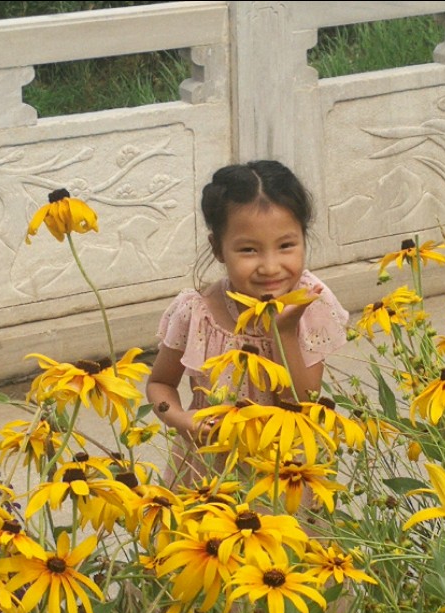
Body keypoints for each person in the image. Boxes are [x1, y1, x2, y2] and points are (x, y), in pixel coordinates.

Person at [146, 160, 349, 486]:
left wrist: (283, 332)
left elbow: (304, 401)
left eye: (286, 246)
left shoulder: (310, 304)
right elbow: (160, 383)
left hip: (285, 473)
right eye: (249, 250)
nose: (270, 267)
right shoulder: (197, 313)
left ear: (304, 238)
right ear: (218, 249)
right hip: (209, 470)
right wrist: (179, 419)